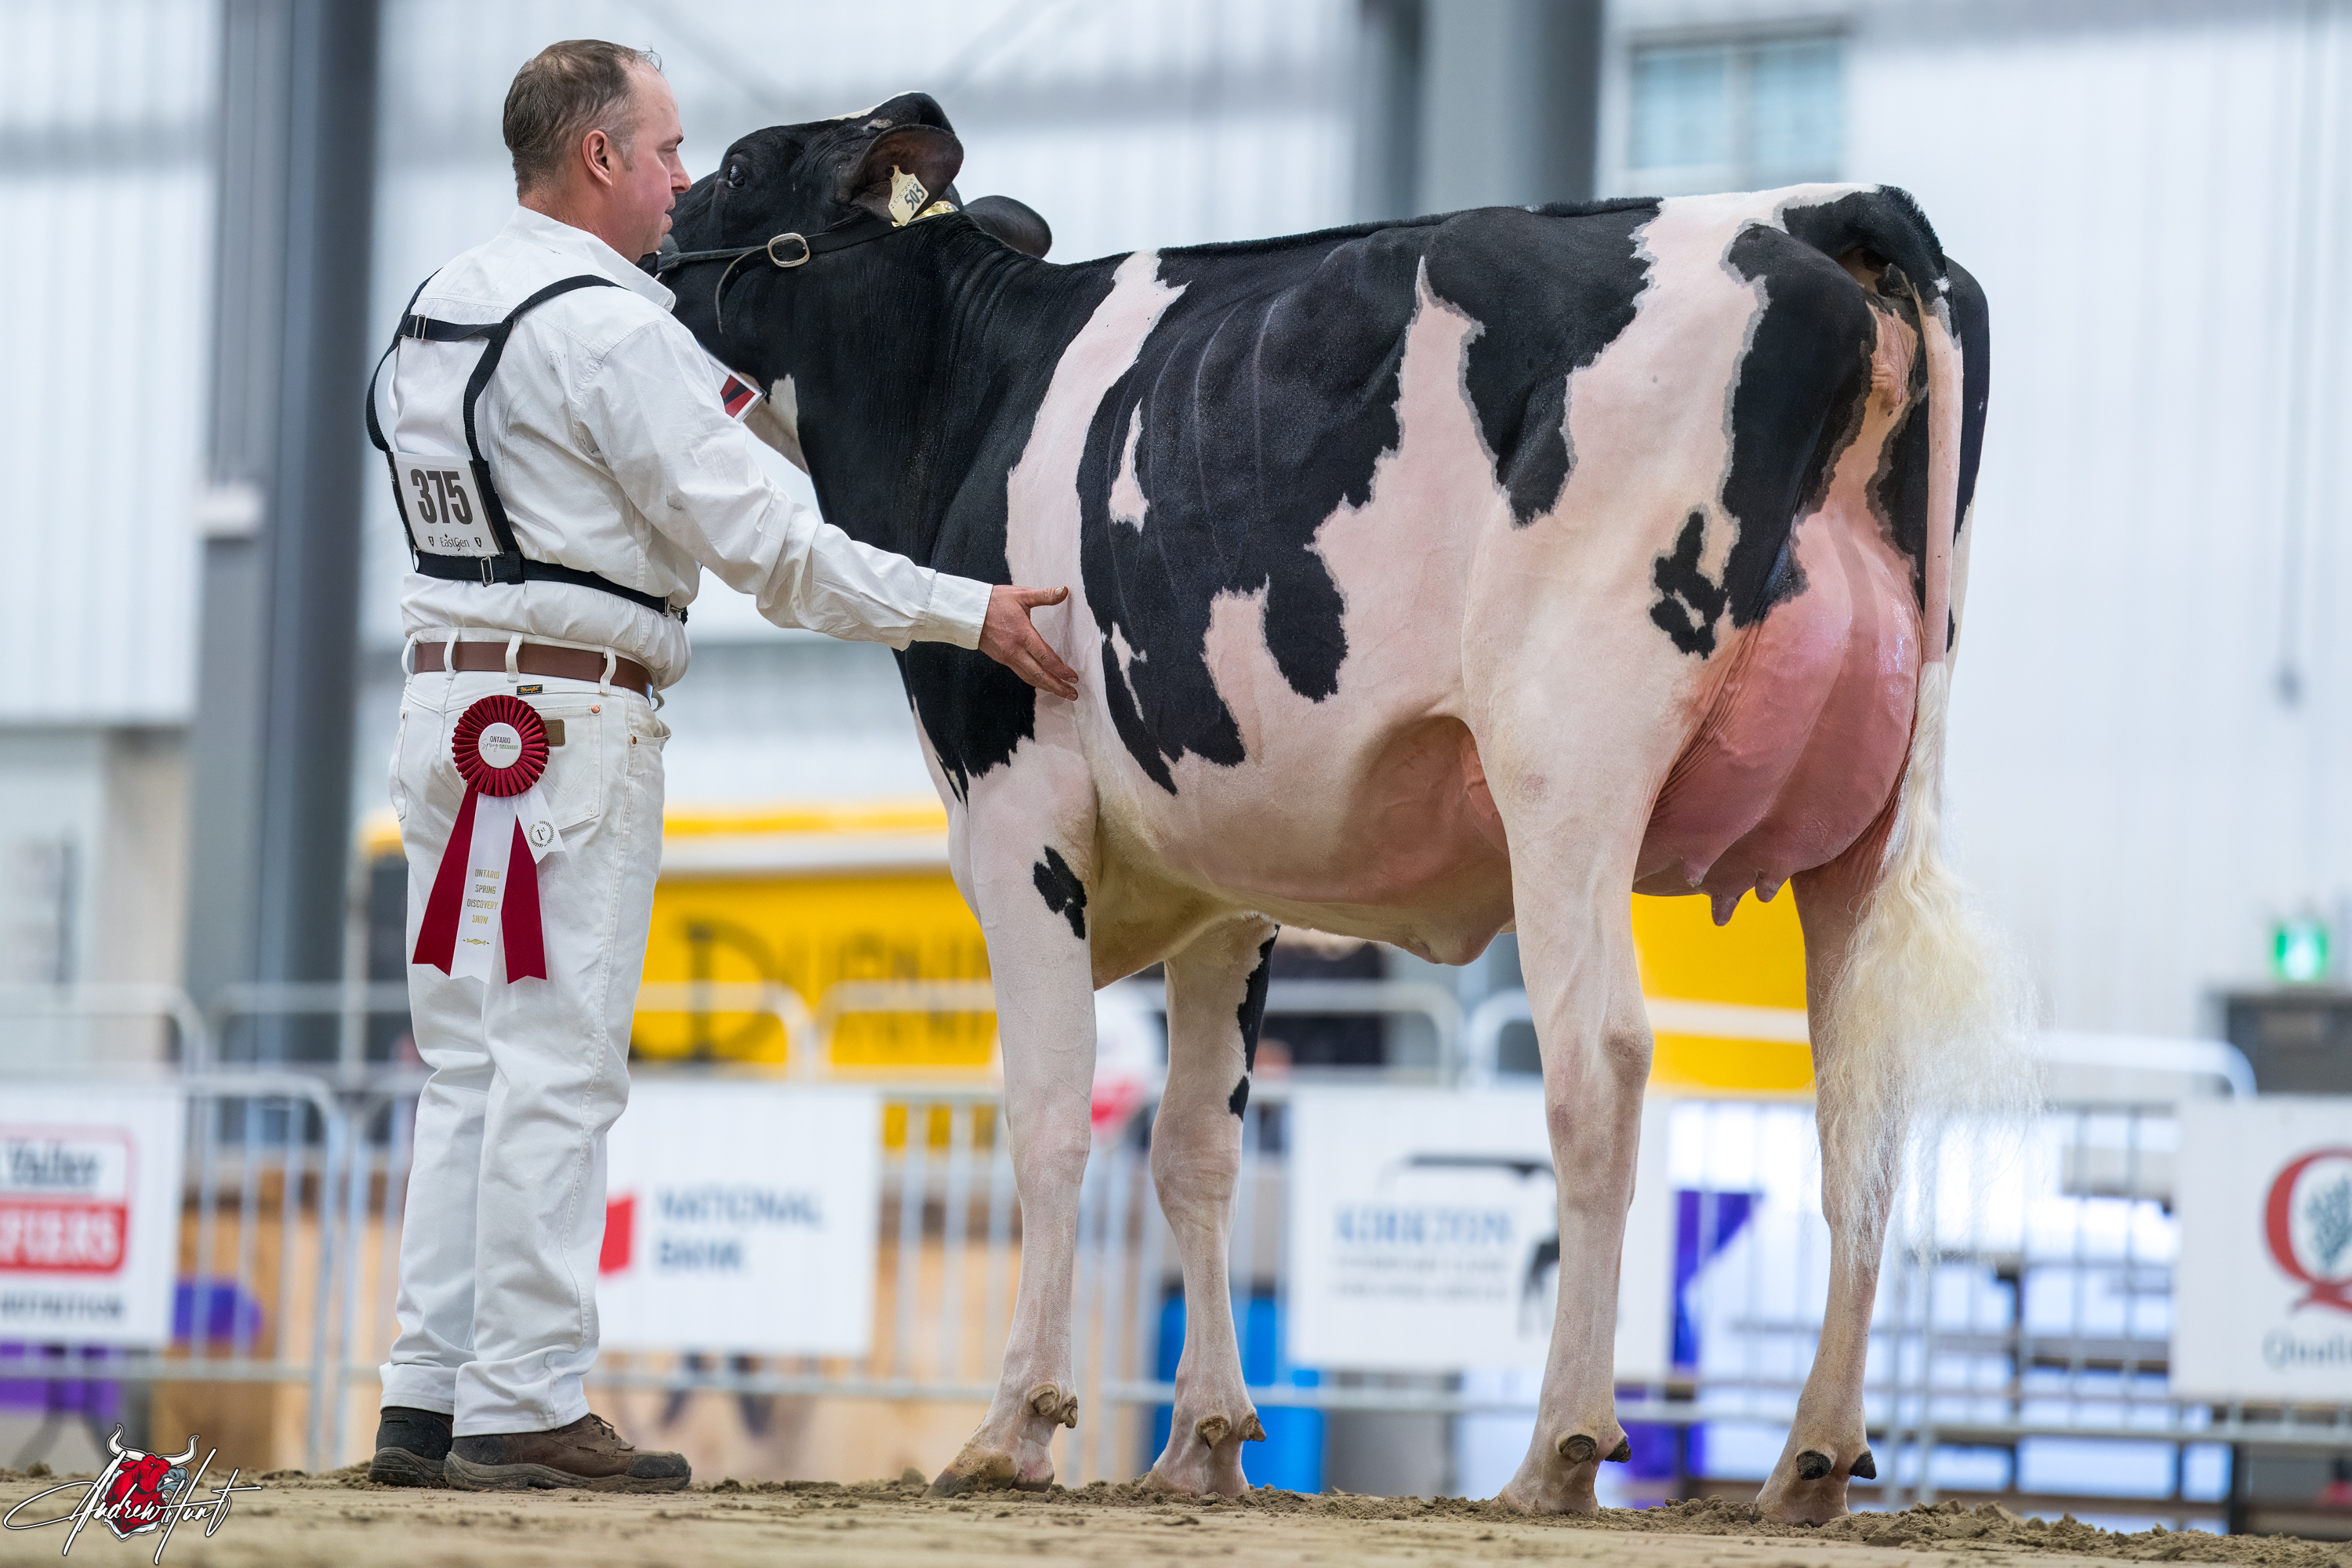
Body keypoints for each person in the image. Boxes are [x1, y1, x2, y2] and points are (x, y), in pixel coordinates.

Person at [365, 38, 1079, 1494]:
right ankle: (525, 1403)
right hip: (565, 728)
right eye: (671, 149)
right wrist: (970, 610)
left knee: (468, 1070)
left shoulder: (439, 303)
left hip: (445, 714)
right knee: (560, 1067)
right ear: (602, 161)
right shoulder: (613, 330)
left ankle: (424, 1403)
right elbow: (776, 550)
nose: (688, 179)